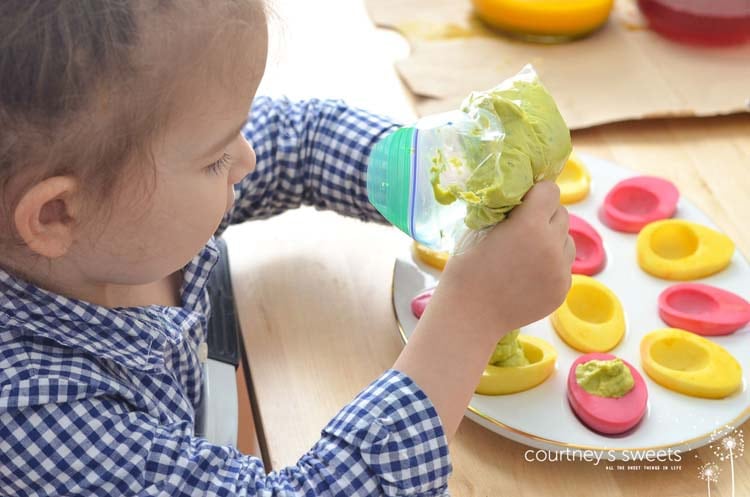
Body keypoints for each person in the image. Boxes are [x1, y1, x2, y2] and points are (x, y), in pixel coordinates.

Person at [0, 1, 575, 496]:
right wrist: (470, 317)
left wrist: (423, 173)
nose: (246, 160)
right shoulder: (32, 416)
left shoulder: (110, 210)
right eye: (215, 158)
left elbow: (299, 140)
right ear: (57, 214)